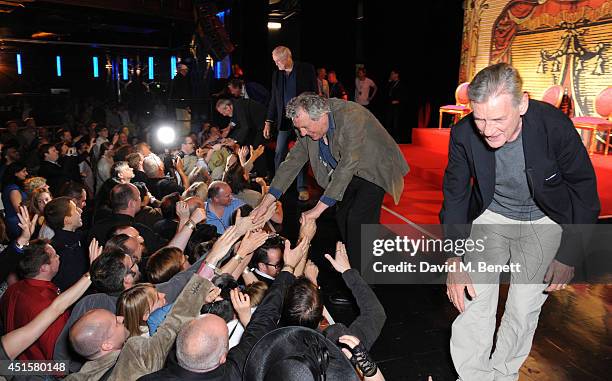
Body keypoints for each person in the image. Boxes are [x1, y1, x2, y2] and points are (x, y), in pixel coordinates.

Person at [440, 63, 600, 381]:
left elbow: (584, 191)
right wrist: (455, 257)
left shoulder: (554, 127)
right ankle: (472, 376)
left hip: (544, 219)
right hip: (492, 216)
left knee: (523, 308)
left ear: (522, 104)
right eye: (480, 118)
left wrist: (568, 255)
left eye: (498, 119)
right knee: (474, 297)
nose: (486, 130)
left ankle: (503, 374)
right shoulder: (463, 133)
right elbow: (455, 195)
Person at [252, 93, 409, 273]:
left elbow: (348, 164)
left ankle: (364, 282)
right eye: (299, 128)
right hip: (350, 171)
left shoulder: (351, 115)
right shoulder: (307, 126)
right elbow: (291, 163)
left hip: (375, 167)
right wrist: (266, 203)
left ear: (320, 116)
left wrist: (317, 210)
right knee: (342, 217)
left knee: (358, 220)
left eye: (304, 127)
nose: (302, 133)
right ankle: (353, 272)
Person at [263, 46, 317, 201]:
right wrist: (268, 121)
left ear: (287, 58)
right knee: (279, 152)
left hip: (302, 119)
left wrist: (311, 118)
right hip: (284, 120)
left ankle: (302, 187)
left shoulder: (306, 69)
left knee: (301, 152)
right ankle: (279, 185)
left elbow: (313, 94)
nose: (276, 64)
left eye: (278, 61)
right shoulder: (276, 75)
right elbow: (274, 99)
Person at [1, 162, 28, 239]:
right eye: (23, 171)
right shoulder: (13, 190)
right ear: (15, 173)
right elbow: (20, 210)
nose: (26, 173)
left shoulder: (11, 187)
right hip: (17, 223)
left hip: (15, 220)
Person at [169, 63, 192, 136]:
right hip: (182, 105)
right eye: (185, 70)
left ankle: (183, 137)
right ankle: (184, 138)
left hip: (178, 104)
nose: (187, 71)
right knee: (185, 123)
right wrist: (187, 105)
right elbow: (183, 93)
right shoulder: (182, 80)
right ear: (181, 70)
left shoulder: (176, 79)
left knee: (181, 123)